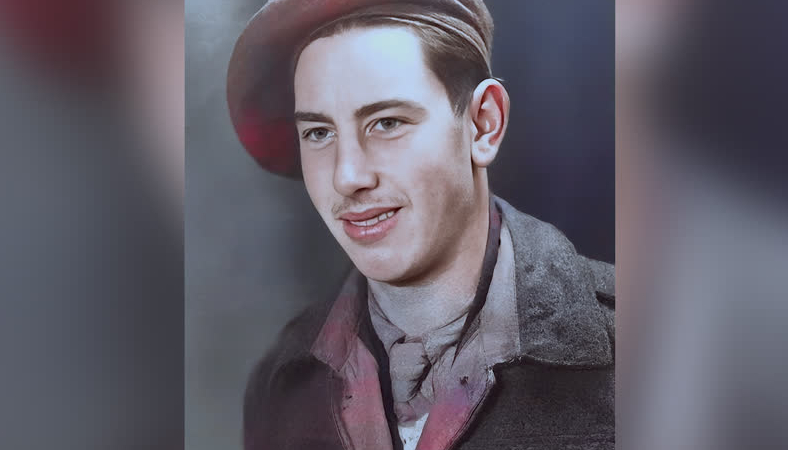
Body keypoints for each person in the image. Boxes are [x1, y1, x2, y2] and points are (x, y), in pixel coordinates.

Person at [226, 1, 614, 449]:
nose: (347, 176)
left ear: (483, 125)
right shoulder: (283, 384)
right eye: (319, 133)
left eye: (387, 123)